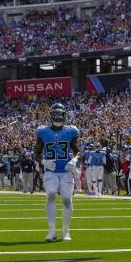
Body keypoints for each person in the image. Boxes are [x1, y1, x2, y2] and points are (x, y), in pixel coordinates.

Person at [34, 103, 79, 243]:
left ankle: (66, 231)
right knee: (51, 194)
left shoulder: (71, 131)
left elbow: (78, 150)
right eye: (56, 114)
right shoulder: (42, 131)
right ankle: (51, 231)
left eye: (61, 114)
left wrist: (75, 160)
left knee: (66, 198)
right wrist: (43, 162)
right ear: (51, 116)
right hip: (51, 170)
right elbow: (36, 153)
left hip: (66, 170)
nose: (58, 117)